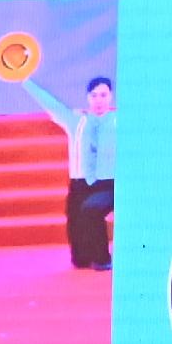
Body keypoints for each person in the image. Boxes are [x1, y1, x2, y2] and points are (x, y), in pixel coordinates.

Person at [22, 71, 116, 269]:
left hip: (109, 185)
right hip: (79, 184)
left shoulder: (119, 122)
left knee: (91, 210)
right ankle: (86, 257)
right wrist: (25, 80)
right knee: (78, 249)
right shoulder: (75, 121)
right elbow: (49, 103)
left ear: (111, 97)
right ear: (87, 98)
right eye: (94, 95)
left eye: (103, 95)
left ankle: (103, 259)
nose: (99, 100)